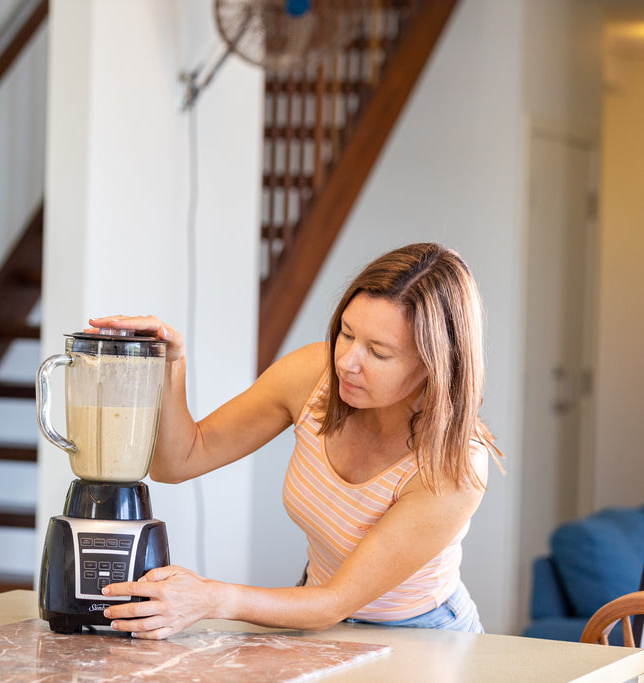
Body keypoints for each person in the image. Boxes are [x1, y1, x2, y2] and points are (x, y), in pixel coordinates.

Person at [88, 242, 503, 640]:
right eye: (346, 333)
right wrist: (170, 363)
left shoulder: (455, 464)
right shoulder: (313, 376)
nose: (346, 362)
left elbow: (335, 602)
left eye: (378, 353)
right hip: (317, 608)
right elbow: (178, 461)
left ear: (433, 364)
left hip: (423, 631)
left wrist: (212, 598)